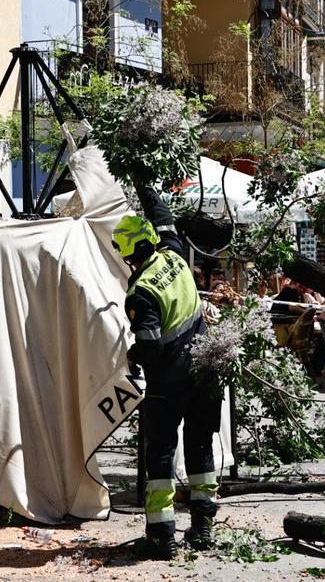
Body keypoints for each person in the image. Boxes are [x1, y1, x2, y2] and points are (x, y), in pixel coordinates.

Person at [114, 187, 218, 559]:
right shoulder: (174, 254)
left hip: (169, 384)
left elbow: (151, 344)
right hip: (207, 373)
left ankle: (162, 536)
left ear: (127, 252)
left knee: (160, 456)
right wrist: (145, 185)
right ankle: (203, 527)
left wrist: (132, 353)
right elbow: (163, 215)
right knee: (201, 447)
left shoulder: (140, 293)